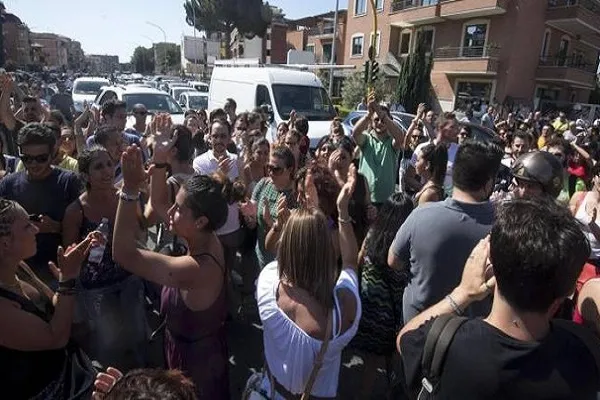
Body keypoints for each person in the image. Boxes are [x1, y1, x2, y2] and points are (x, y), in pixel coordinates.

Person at [398, 198, 600, 399]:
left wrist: (463, 292)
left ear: (490, 264)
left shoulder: (447, 344)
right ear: (568, 289)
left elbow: (405, 338)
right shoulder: (586, 351)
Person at [113, 142, 231, 399]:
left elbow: (123, 254)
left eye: (178, 208)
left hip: (195, 368)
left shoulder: (195, 269)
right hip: (198, 351)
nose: (171, 211)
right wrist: (159, 161)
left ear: (200, 221)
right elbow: (156, 203)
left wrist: (129, 190)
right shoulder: (208, 237)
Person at [254, 165, 362, 398]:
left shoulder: (267, 283)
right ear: (327, 251)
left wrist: (297, 225)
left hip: (271, 391)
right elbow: (351, 262)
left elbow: (285, 253)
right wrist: (341, 210)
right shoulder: (343, 313)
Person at [389, 140, 503, 323]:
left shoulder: (421, 214)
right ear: (489, 183)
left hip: (417, 329)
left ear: (455, 174)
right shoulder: (503, 228)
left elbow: (394, 261)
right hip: (468, 334)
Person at [0, 198, 98, 398]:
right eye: (27, 226)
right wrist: (68, 280)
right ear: (5, 243)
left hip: (69, 373)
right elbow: (56, 337)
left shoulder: (19, 267)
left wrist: (65, 278)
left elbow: (55, 306)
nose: (36, 229)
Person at [62, 146, 149, 371]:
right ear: (85, 175)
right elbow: (69, 256)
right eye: (98, 167)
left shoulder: (126, 197)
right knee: (109, 343)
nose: (107, 171)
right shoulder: (76, 210)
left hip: (129, 276)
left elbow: (141, 229)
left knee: (138, 334)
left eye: (109, 164)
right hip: (96, 288)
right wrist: (87, 247)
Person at [0, 123, 81, 286]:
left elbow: (84, 229)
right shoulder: (8, 184)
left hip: (57, 271)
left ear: (53, 153)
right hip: (19, 274)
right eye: (27, 158)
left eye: (41, 158)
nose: (33, 164)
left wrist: (55, 227)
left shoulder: (68, 181)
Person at [350, 193, 414, 398]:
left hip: (369, 310)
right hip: (391, 318)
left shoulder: (372, 235)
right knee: (393, 362)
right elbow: (401, 284)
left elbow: (359, 261)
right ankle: (390, 393)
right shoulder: (403, 248)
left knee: (370, 364)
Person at [250, 146, 297, 270]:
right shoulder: (263, 184)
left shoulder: (298, 195)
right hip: (261, 257)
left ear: (290, 170)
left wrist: (271, 223)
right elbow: (252, 218)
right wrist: (249, 216)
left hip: (285, 264)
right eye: (269, 167)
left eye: (276, 169)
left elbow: (296, 236)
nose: (270, 172)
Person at [353, 94, 404, 207]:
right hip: (365, 198)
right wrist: (369, 114)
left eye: (383, 120)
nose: (380, 123)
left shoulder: (392, 143)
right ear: (371, 122)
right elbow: (355, 133)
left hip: (386, 201)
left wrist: (381, 114)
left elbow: (400, 138)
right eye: (376, 120)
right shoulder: (366, 139)